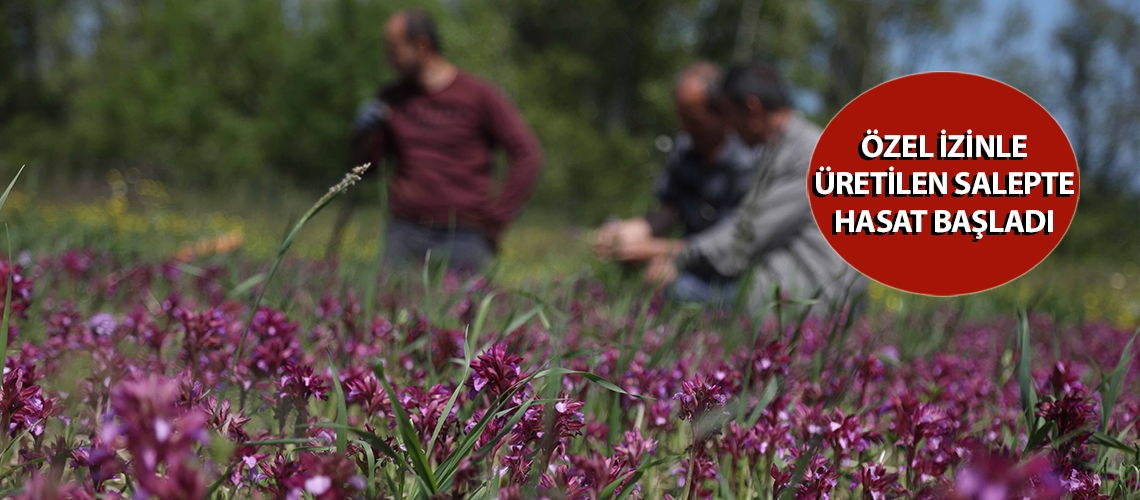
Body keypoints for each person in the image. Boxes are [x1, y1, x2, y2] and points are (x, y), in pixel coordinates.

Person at [646, 60, 865, 311]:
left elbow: (742, 240)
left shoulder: (808, 156)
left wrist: (671, 254)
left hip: (810, 297)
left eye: (730, 116)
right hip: (800, 286)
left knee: (676, 289)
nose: (730, 129)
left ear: (752, 108)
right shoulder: (788, 147)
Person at [350, 9, 543, 272]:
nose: (389, 60)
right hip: (404, 231)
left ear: (422, 46)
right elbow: (367, 168)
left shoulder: (477, 95)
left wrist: (496, 220)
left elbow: (526, 154)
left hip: (464, 234)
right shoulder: (391, 99)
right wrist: (363, 134)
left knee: (458, 310)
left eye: (394, 50)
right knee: (385, 306)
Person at [593, 62, 757, 303]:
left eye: (693, 120)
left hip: (730, 276)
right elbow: (668, 211)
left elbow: (726, 249)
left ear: (722, 113)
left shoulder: (748, 165)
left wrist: (655, 250)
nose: (684, 129)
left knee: (677, 289)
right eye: (680, 118)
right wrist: (628, 233)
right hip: (686, 260)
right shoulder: (685, 150)